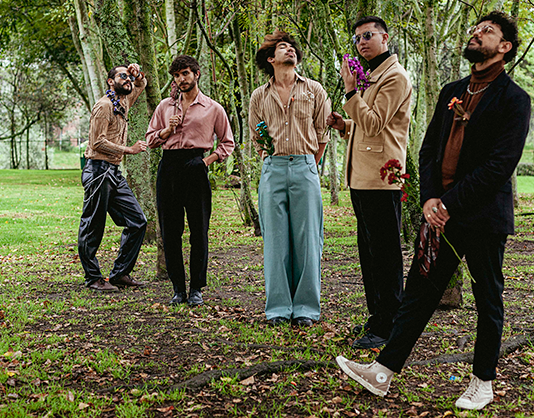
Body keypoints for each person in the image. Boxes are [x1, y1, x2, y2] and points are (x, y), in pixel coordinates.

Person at [336, 11, 531, 411]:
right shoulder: (451, 91)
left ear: (505, 47)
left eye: (487, 31)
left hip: (482, 217)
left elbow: (499, 166)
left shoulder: (515, 99)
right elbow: (428, 151)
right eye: (475, 29)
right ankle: (382, 371)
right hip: (438, 216)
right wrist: (428, 199)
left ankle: (483, 382)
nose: (476, 34)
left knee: (488, 298)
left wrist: (448, 202)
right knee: (419, 294)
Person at [327, 16, 412, 348]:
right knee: (370, 253)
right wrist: (344, 125)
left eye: (367, 36)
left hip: (382, 177)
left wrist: (350, 91)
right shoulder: (372, 74)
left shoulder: (394, 76)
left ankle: (388, 325)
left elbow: (375, 124)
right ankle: (378, 316)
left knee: (385, 255)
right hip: (362, 177)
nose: (361, 42)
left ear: (385, 38)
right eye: (357, 38)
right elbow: (366, 125)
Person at [249, 31, 330, 327]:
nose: (290, 50)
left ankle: (306, 308)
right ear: (271, 59)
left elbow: (322, 134)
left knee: (308, 240)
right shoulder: (259, 96)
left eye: (292, 47)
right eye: (283, 47)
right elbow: (257, 136)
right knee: (275, 240)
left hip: (306, 166)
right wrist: (273, 160)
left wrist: (309, 165)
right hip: (273, 168)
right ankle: (278, 309)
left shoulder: (314, 90)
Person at [146, 55, 234, 307]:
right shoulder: (165, 106)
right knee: (170, 231)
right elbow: (150, 140)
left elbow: (227, 143)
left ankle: (196, 288)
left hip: (196, 166)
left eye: (185, 73)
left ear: (196, 74)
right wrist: (166, 130)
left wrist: (205, 162)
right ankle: (178, 289)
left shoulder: (213, 108)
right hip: (169, 167)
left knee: (199, 230)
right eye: (176, 75)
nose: (181, 79)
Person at [78, 63, 148, 292]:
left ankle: (120, 274)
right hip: (98, 171)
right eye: (122, 76)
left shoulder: (123, 102)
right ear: (110, 81)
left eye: (129, 77)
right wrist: (129, 149)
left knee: (138, 221)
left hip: (114, 172)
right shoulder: (104, 106)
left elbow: (141, 84)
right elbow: (96, 142)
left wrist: (137, 73)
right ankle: (93, 278)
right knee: (93, 226)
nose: (128, 80)